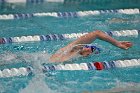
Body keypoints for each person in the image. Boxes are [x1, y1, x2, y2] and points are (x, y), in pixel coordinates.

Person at [49, 30, 132, 62]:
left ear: (88, 55)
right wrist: (118, 44)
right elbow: (97, 33)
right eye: (89, 46)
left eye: (92, 49)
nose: (88, 48)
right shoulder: (69, 49)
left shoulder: (74, 59)